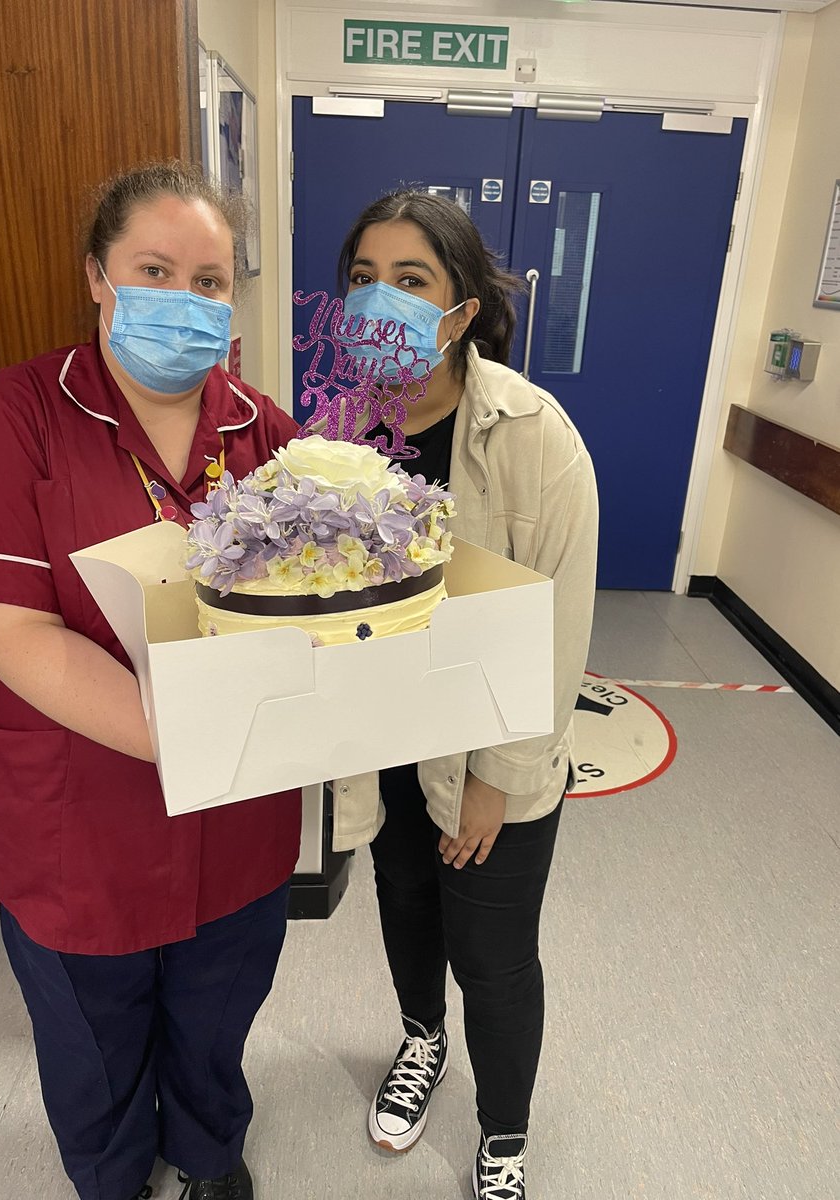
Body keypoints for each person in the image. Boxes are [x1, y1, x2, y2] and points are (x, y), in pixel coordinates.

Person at [0, 162, 301, 1200]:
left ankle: (207, 1154)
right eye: (155, 269)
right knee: (91, 1043)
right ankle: (109, 1176)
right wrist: (191, 730)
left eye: (210, 282)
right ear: (99, 276)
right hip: (76, 823)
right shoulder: (14, 418)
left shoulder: (265, 433)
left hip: (238, 817)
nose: (184, 303)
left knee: (215, 1018)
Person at [329, 191, 599, 1200]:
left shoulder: (534, 436)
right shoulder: (342, 425)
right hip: (387, 737)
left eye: (412, 281)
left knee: (492, 953)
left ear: (463, 309)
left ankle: (503, 1135)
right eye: (363, 278)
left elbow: (558, 633)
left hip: (494, 755)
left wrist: (498, 777)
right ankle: (419, 1038)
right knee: (405, 906)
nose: (381, 303)